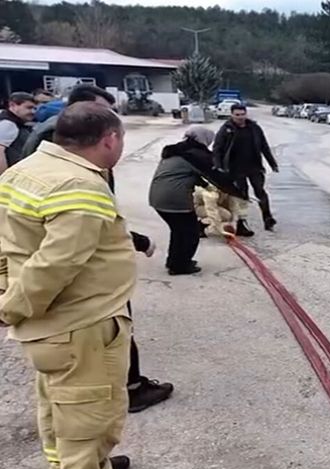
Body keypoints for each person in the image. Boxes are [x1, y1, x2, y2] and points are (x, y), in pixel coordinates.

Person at [0, 102, 156, 469]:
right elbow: (55, 265)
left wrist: (5, 294)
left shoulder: (24, 171)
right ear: (110, 139)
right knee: (90, 415)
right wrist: (8, 308)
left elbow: (6, 245)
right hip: (80, 323)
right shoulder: (80, 186)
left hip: (49, 329)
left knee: (59, 406)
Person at [18, 83, 174, 413]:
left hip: (58, 307)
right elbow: (59, 255)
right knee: (86, 411)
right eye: (105, 111)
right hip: (80, 307)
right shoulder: (76, 174)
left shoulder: (52, 152)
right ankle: (129, 392)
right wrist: (12, 307)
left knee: (61, 398)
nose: (110, 118)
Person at [148, 127, 217, 275]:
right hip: (175, 199)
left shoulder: (177, 151)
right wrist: (234, 190)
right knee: (191, 233)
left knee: (178, 231)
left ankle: (174, 262)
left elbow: (187, 173)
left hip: (157, 198)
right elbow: (215, 173)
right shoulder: (196, 154)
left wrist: (204, 185)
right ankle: (181, 266)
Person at [213, 103, 279, 234]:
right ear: (232, 115)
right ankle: (241, 223)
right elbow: (217, 149)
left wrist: (272, 163)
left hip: (255, 167)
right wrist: (218, 166)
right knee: (241, 196)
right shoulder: (226, 129)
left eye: (242, 114)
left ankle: (268, 218)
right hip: (235, 169)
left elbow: (264, 146)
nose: (240, 117)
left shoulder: (254, 128)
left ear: (246, 114)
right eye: (237, 115)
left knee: (260, 192)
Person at [0, 91, 36, 172]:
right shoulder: (8, 124)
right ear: (13, 105)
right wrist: (3, 176)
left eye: (34, 108)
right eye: (29, 108)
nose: (33, 112)